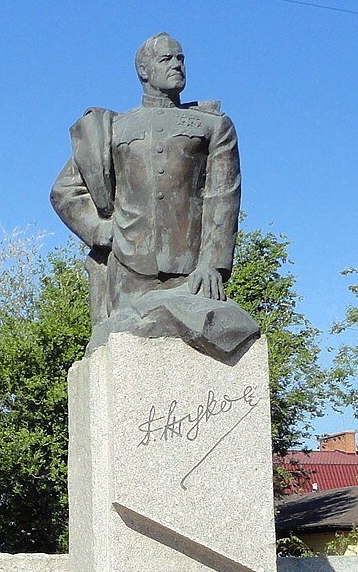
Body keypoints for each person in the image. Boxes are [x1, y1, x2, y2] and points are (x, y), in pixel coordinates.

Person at [50, 33, 254, 355]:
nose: (177, 65)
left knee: (228, 328)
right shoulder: (114, 128)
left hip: (191, 273)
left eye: (181, 59)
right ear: (144, 70)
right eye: (167, 59)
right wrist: (100, 231)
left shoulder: (212, 126)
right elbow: (65, 190)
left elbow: (222, 195)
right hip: (129, 271)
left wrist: (213, 264)